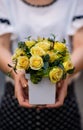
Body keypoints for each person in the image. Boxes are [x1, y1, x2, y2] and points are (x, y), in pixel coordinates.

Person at [0, 0, 83, 129]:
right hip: (16, 98)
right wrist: (17, 73)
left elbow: (81, 45)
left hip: (63, 97)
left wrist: (63, 72)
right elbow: (1, 45)